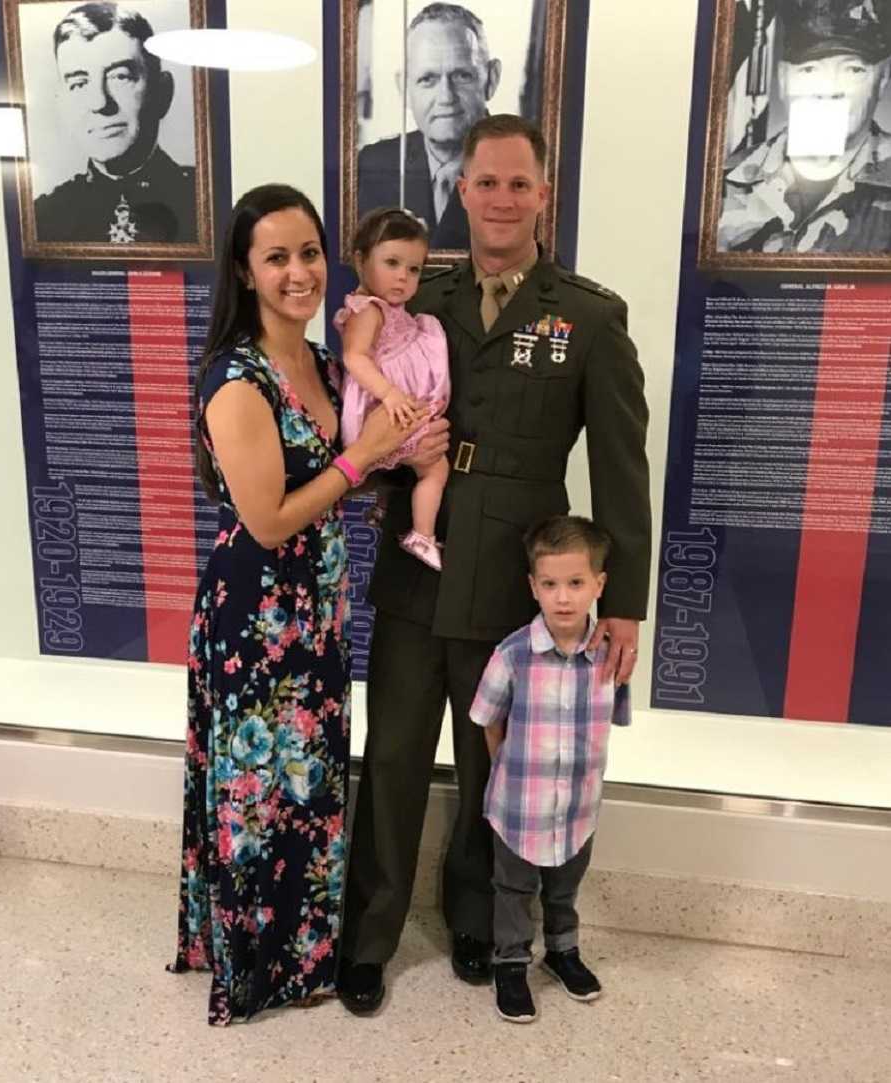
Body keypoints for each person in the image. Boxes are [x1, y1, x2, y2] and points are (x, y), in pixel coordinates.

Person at [338, 114, 651, 1014]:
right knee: (393, 756)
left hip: (516, 582)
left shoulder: (587, 316)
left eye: (520, 183)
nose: (502, 199)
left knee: (491, 767)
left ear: (544, 195)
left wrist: (620, 600)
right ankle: (370, 937)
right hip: (414, 564)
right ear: (462, 191)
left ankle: (479, 921)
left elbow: (621, 468)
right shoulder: (413, 303)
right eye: (486, 182)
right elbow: (365, 408)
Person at [167, 183, 424, 1025]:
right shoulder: (235, 376)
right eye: (275, 256)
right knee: (257, 790)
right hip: (254, 620)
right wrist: (366, 459)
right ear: (244, 272)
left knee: (307, 785)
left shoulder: (319, 361)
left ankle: (303, 954)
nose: (298, 271)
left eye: (309, 252)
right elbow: (270, 518)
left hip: (316, 614)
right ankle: (255, 967)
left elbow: (337, 475)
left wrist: (395, 461)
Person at [471, 515, 629, 1024]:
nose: (563, 598)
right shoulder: (513, 655)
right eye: (551, 584)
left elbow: (613, 719)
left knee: (565, 887)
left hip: (579, 808)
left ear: (599, 585)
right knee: (513, 889)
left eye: (576, 583)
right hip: (519, 807)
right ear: (533, 587)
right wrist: (507, 774)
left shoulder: (609, 658)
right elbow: (489, 721)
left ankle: (563, 951)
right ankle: (511, 961)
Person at [718, 0, 891, 254]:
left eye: (852, 70)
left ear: (882, 79)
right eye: (810, 70)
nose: (829, 89)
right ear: (783, 79)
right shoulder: (721, 184)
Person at [335, 207, 451, 571]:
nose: (403, 277)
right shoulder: (367, 309)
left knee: (430, 465)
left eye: (413, 269)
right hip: (385, 406)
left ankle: (401, 517)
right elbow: (355, 358)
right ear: (360, 260)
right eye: (392, 263)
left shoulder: (388, 307)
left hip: (397, 400)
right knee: (435, 468)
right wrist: (388, 393)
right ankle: (422, 533)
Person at [34, 1, 197, 245]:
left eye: (120, 76)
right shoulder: (44, 217)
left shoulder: (204, 202)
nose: (99, 102)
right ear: (63, 103)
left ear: (163, 92)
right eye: (79, 83)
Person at [357, 2, 502, 250]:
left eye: (461, 76)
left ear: (491, 78)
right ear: (405, 87)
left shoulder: (527, 167)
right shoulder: (371, 167)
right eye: (428, 79)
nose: (446, 97)